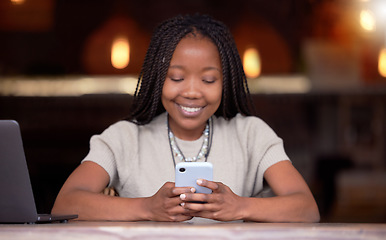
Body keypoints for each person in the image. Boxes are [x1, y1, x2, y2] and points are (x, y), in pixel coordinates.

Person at [51, 14, 320, 223]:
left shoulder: (251, 134)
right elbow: (65, 204)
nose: (192, 92)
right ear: (157, 80)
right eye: (176, 78)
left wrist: (239, 206)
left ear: (226, 82)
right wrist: (146, 207)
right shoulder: (124, 137)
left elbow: (307, 208)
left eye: (208, 79)